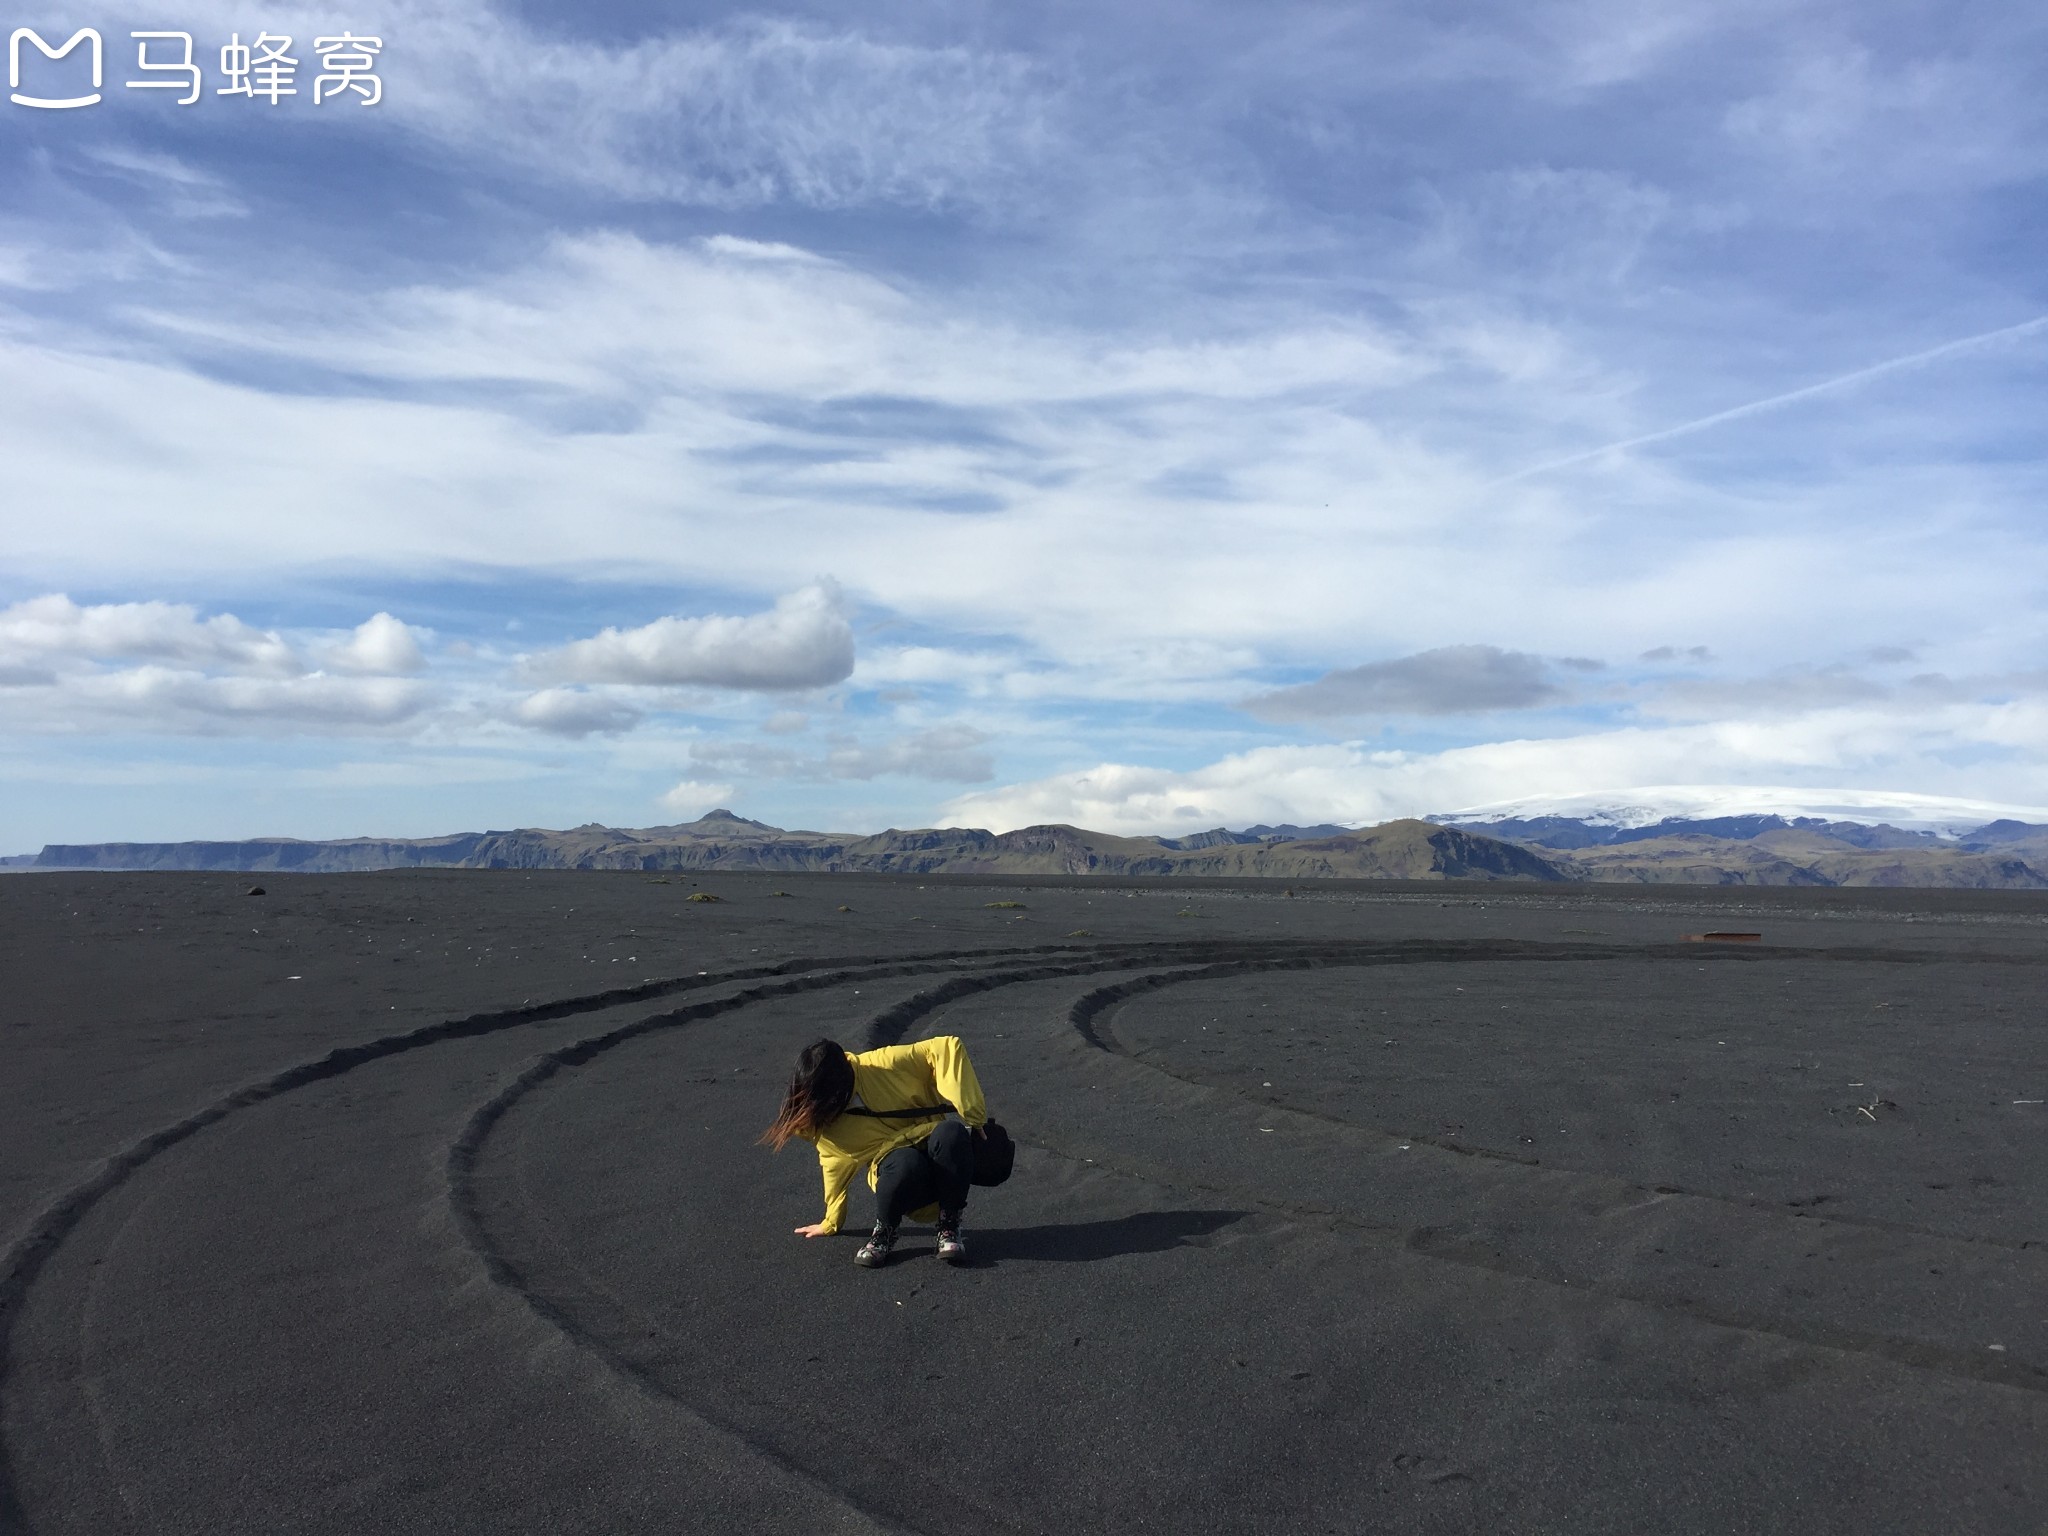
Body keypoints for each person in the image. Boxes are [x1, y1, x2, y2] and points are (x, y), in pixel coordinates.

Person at [761, 1035, 989, 1267]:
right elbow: (833, 1165)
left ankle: (949, 1226)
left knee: (952, 1133)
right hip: (899, 1178)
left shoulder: (880, 1064)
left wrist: (974, 1115)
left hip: (940, 1164)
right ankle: (884, 1232)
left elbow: (946, 1047)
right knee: (905, 1161)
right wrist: (831, 1221)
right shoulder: (827, 1125)